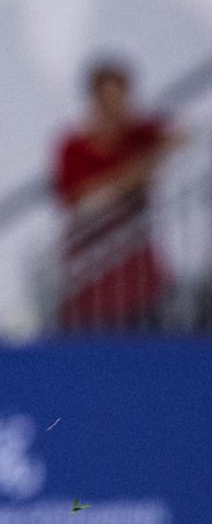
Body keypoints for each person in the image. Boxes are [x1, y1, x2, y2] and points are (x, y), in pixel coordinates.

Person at [53, 61, 180, 332]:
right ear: (95, 100)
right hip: (93, 272)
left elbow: (181, 139)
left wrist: (152, 159)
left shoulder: (138, 136)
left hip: (139, 277)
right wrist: (129, 178)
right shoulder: (74, 146)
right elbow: (77, 199)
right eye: (108, 99)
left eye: (120, 98)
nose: (116, 106)